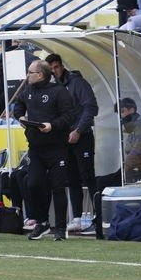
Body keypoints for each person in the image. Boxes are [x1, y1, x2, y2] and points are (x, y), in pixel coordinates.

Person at [13, 60, 76, 241]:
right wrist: (21, 117)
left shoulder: (59, 92)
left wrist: (52, 125)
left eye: (30, 72)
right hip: (36, 148)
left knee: (58, 187)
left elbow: (69, 116)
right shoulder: (28, 91)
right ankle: (42, 223)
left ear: (40, 75)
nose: (28, 75)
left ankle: (61, 228)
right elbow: (18, 106)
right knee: (33, 184)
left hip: (57, 148)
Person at [45, 53, 99, 234]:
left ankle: (98, 217)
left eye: (56, 67)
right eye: (50, 69)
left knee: (88, 176)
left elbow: (91, 107)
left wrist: (78, 130)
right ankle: (77, 218)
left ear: (62, 66)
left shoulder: (77, 83)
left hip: (81, 136)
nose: (54, 71)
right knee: (71, 178)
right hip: (64, 139)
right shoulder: (51, 88)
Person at [97, 98, 141, 187]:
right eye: (119, 113)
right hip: (137, 169)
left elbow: (139, 151)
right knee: (99, 181)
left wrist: (122, 170)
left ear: (132, 110)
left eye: (122, 111)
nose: (121, 116)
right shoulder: (134, 129)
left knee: (101, 183)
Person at [0, 39, 37, 119]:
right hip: (3, 92)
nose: (17, 46)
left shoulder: (29, 59)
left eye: (19, 42)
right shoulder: (1, 60)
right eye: (15, 42)